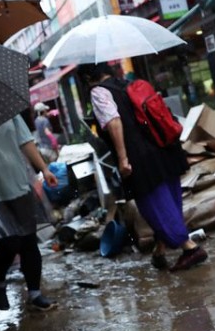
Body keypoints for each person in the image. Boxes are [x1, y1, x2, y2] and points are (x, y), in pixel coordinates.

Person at [83, 62, 207, 272]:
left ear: (88, 77)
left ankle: (190, 249)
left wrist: (123, 159)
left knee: (154, 207)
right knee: (169, 202)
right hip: (164, 150)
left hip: (140, 159)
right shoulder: (127, 84)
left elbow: (114, 122)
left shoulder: (99, 92)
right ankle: (159, 251)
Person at [0, 115, 60, 312]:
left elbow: (26, 141)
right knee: (9, 243)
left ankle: (35, 293)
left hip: (17, 184)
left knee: (28, 241)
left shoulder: (6, 112)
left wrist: (44, 169)